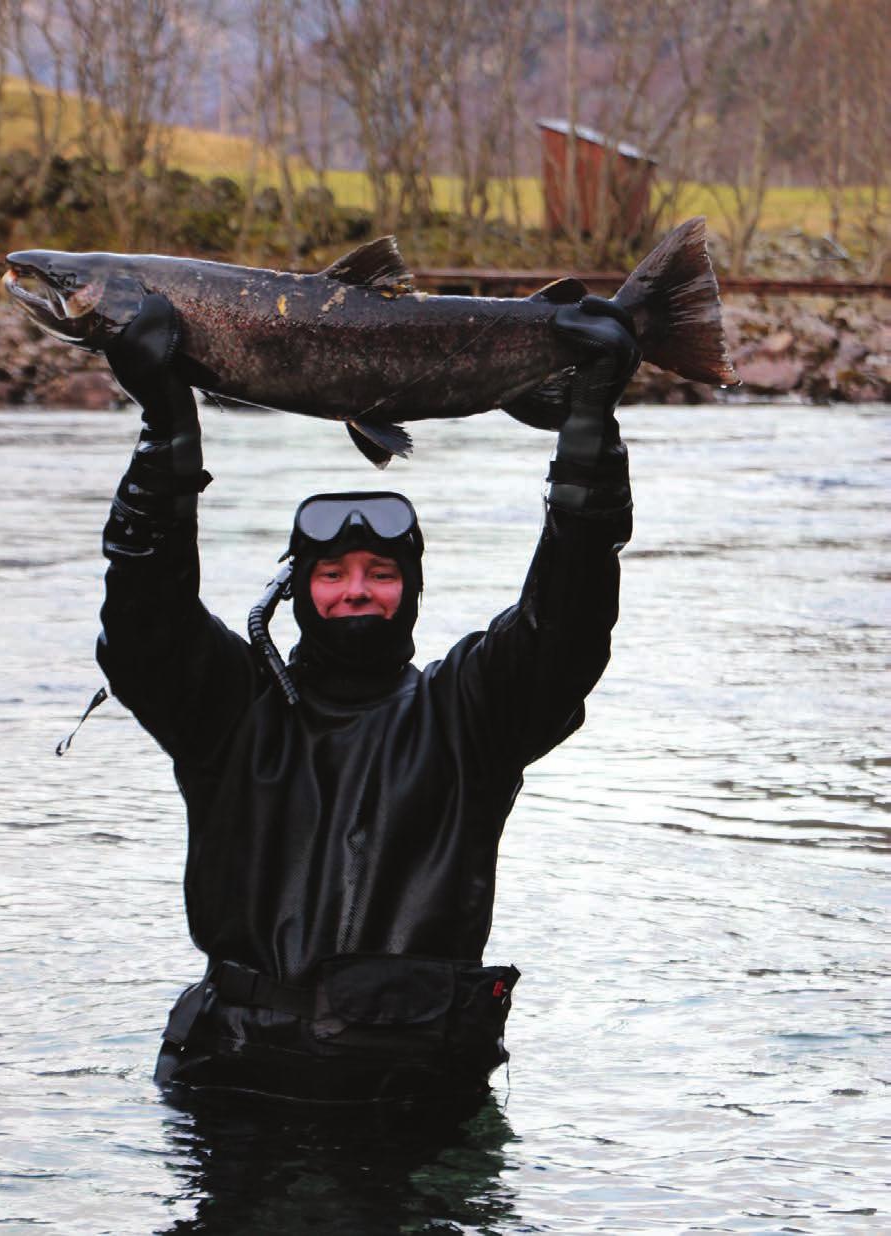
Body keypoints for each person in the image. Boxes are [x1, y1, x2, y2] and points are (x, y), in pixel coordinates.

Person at [96, 292, 638, 1106]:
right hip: (239, 1089)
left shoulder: (470, 713)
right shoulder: (230, 711)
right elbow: (145, 622)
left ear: (411, 591)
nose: (356, 591)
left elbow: (567, 619)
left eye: (381, 574)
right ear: (294, 590)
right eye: (332, 573)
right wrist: (166, 429)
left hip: (412, 1096)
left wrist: (589, 430)